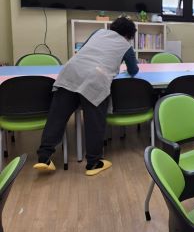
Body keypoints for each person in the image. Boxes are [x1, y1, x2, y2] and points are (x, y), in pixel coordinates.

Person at [33, 17, 139, 176]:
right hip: (96, 78)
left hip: (70, 72)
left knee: (57, 117)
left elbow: (84, 50)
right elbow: (133, 70)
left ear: (112, 27)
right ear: (129, 35)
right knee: (94, 122)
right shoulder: (126, 46)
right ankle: (94, 163)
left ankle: (44, 157)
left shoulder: (98, 32)